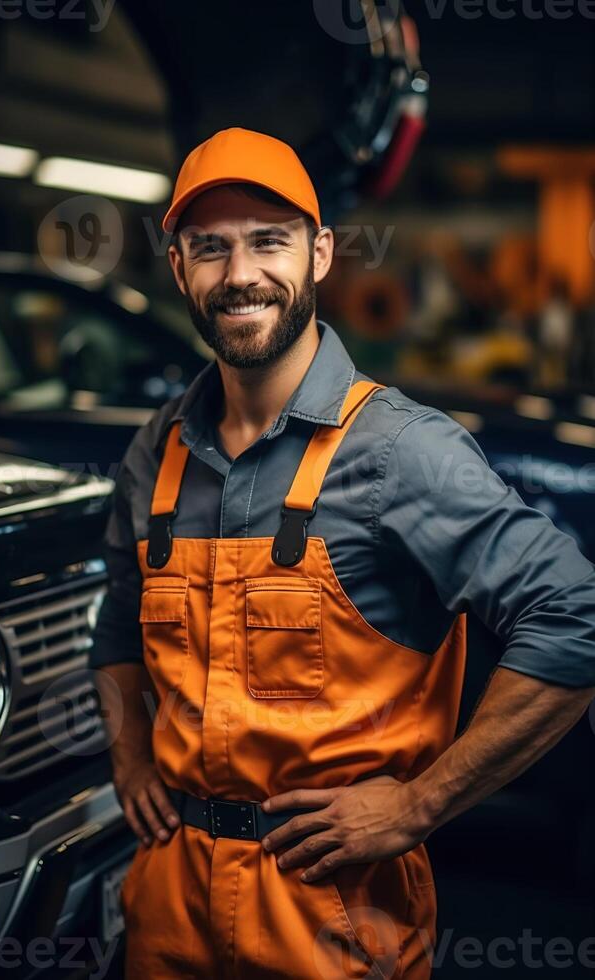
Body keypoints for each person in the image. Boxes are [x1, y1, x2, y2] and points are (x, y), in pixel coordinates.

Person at [90, 127, 595, 979]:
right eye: (210, 247)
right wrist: (130, 755)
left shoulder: (401, 452)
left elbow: (574, 616)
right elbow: (117, 616)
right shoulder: (157, 451)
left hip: (332, 908)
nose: (240, 273)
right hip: (166, 904)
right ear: (177, 266)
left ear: (320, 254)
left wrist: (419, 806)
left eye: (268, 242)